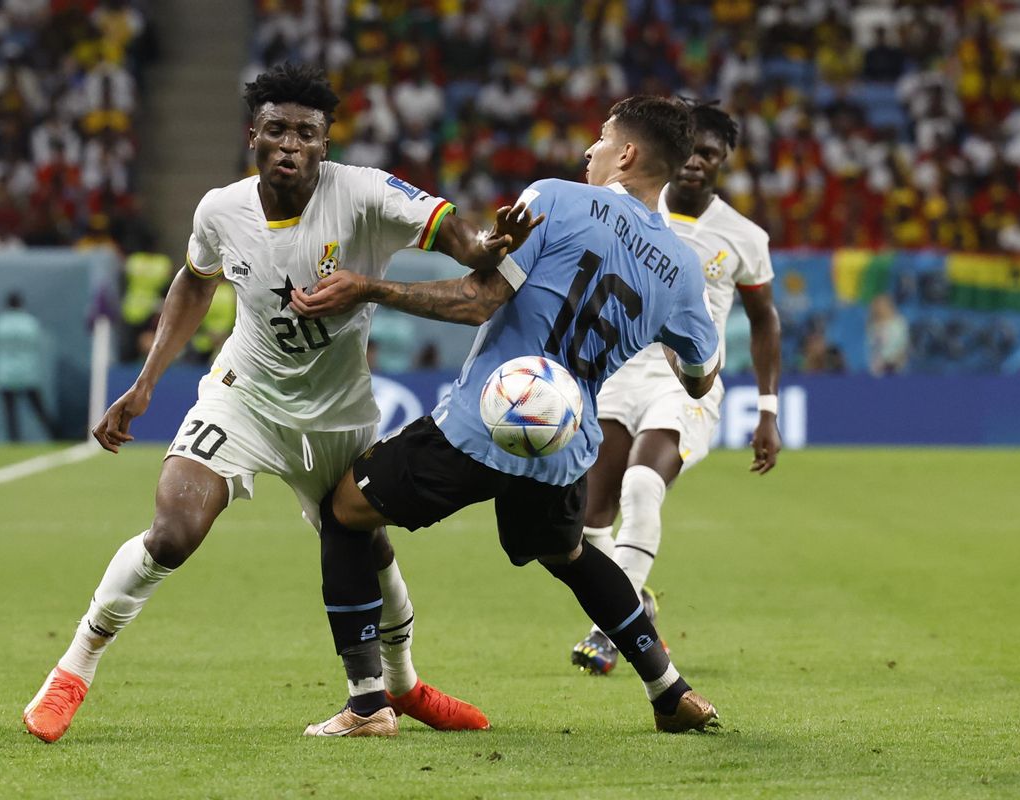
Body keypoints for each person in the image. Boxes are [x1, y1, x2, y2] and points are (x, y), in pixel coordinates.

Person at [22, 64, 540, 743]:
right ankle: (72, 671)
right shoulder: (219, 210)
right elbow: (195, 281)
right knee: (173, 531)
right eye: (277, 131)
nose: (290, 144)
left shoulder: (363, 193)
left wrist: (488, 245)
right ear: (253, 137)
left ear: (325, 144)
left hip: (338, 412)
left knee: (365, 546)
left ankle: (403, 686)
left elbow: (458, 236)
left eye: (306, 132)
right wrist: (145, 383)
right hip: (245, 397)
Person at [291, 95, 722, 736]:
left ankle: (367, 704)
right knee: (570, 552)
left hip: (483, 420)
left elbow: (475, 302)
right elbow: (699, 376)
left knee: (345, 510)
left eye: (602, 139)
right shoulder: (684, 266)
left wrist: (369, 287)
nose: (590, 150)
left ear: (627, 154)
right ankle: (670, 690)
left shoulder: (555, 197)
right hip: (565, 441)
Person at [569, 102, 783, 675]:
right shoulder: (631, 209)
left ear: (722, 163)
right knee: (589, 515)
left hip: (687, 382)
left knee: (642, 484)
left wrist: (767, 409)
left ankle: (608, 630)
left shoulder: (742, 236)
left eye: (710, 155)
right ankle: (635, 599)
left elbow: (764, 319)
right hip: (618, 369)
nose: (697, 163)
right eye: (691, 152)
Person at [0, 292, 58, 442]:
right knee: (39, 409)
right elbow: (34, 341)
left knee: (10, 412)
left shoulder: (0, 323)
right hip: (27, 372)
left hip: (5, 373)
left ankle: (14, 440)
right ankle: (55, 435)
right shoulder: (30, 322)